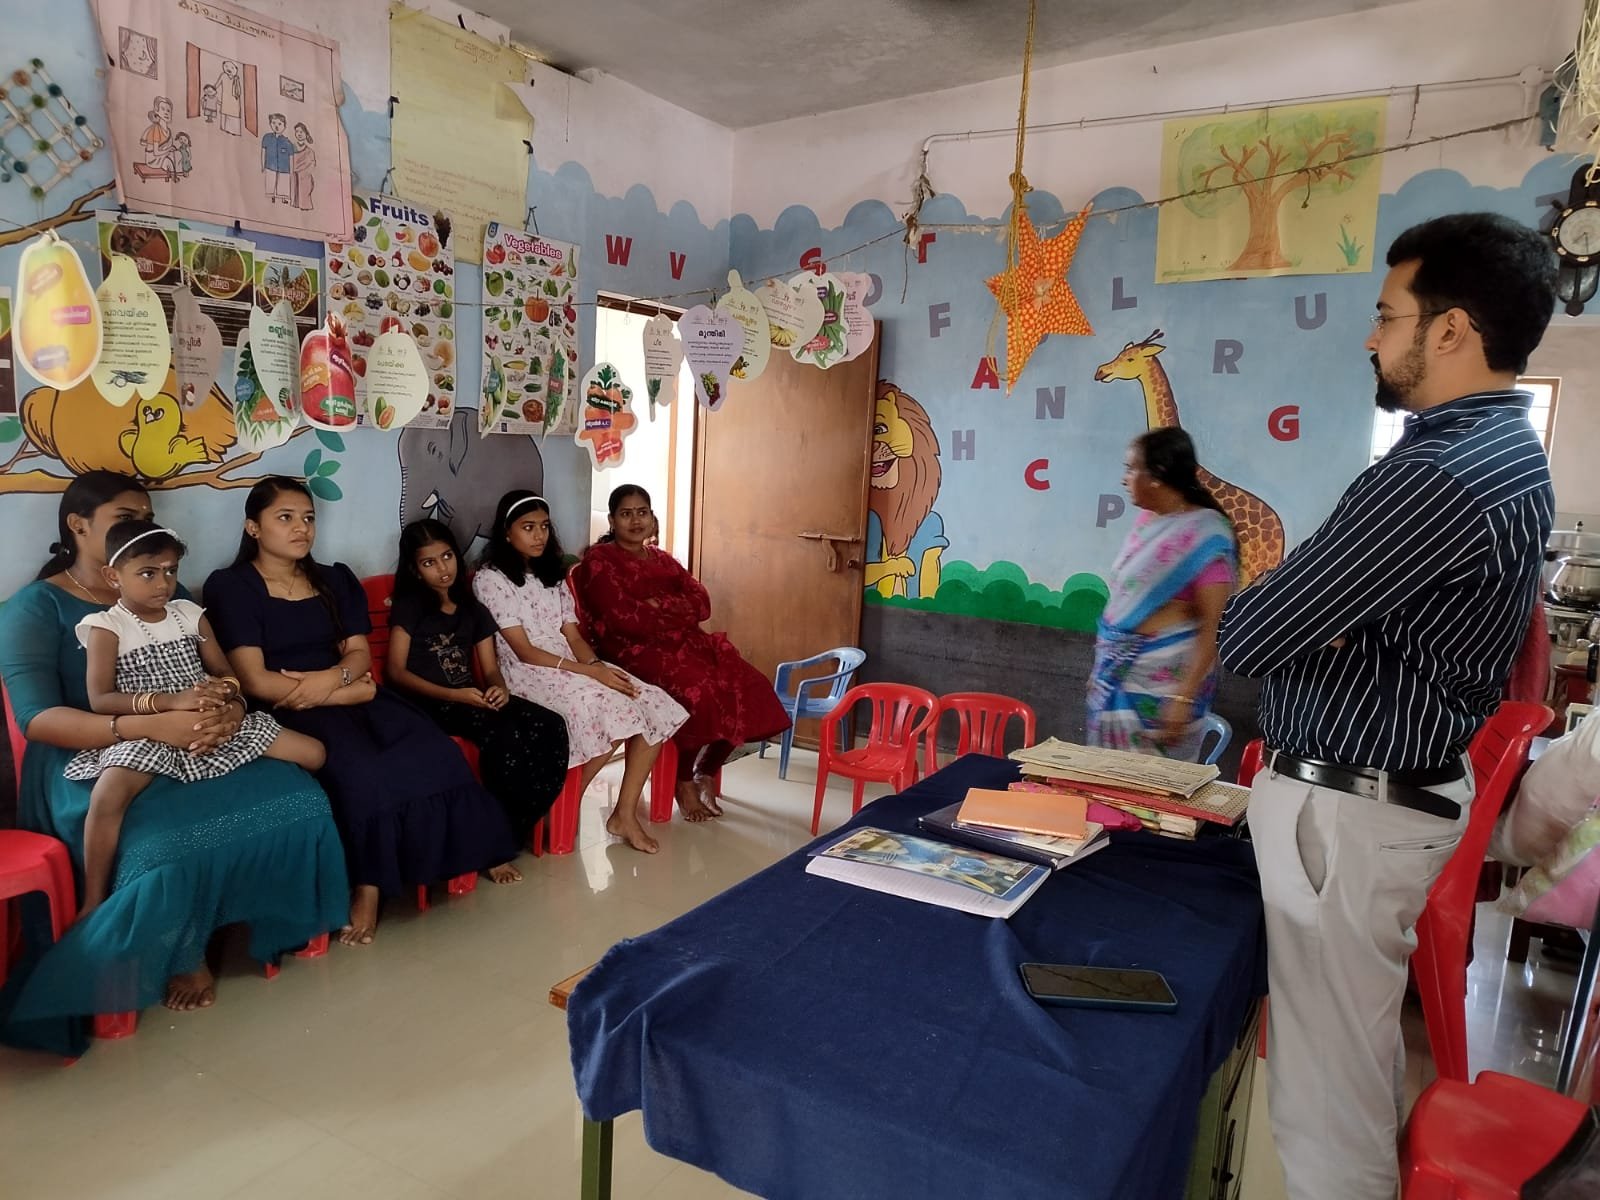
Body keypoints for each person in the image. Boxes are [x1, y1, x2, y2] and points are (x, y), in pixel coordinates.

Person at [1217, 212, 1559, 1200]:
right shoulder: (1507, 453)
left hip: (1350, 807)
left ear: (1449, 330)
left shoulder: (1434, 477)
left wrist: (1303, 612)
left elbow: (1250, 637)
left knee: (1326, 1101)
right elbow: (1300, 618)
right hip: (1384, 794)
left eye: (1386, 314)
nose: (1370, 338)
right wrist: (1316, 614)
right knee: (1340, 1068)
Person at [0, 472, 347, 1044]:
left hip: (194, 736)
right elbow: (38, 720)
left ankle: (262, 919)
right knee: (161, 844)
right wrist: (150, 724)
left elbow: (219, 675)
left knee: (299, 796)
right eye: (125, 519)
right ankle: (180, 949)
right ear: (78, 526)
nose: (143, 530)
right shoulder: (38, 607)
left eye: (147, 517)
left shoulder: (171, 594)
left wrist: (228, 713)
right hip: (89, 755)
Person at [204, 477, 520, 945]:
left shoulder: (333, 578)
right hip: (290, 709)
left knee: (433, 749)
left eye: (308, 518)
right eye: (285, 518)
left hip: (347, 690)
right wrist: (340, 694)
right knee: (362, 771)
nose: (301, 528)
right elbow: (254, 680)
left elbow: (356, 655)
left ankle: (472, 849)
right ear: (253, 527)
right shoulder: (233, 587)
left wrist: (334, 680)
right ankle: (369, 886)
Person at [66, 520, 325, 916]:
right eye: (148, 573)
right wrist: (170, 703)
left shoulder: (188, 613)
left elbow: (226, 674)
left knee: (314, 753)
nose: (163, 584)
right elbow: (100, 699)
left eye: (171, 571)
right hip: (151, 731)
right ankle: (93, 899)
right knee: (108, 794)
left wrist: (228, 701)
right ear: (112, 576)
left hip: (212, 720)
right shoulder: (106, 626)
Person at [472, 491, 686, 854]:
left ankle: (624, 814)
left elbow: (572, 635)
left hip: (570, 663)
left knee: (651, 700)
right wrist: (589, 674)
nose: (539, 535)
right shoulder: (491, 579)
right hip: (529, 671)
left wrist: (597, 667)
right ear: (507, 533)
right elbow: (523, 650)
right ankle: (560, 804)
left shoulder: (551, 574)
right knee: (615, 711)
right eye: (528, 528)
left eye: (543, 526)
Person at [573, 484, 791, 820]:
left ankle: (707, 770)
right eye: (626, 514)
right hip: (632, 651)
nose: (635, 521)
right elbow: (624, 619)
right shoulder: (600, 561)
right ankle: (683, 779)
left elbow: (702, 603)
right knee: (699, 692)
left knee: (751, 687)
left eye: (642, 513)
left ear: (652, 517)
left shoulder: (662, 559)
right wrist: (676, 610)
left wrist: (659, 604)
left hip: (686, 644)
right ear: (612, 521)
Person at [387, 518, 570, 846]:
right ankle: (496, 838)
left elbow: (490, 670)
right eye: (429, 563)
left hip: (472, 698)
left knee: (551, 724)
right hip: (426, 703)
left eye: (447, 556)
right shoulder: (410, 607)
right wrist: (454, 695)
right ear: (415, 570)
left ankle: (513, 824)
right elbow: (396, 672)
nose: (442, 568)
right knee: (503, 735)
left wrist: (499, 688)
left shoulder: (472, 610)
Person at [1086, 429, 1237, 760]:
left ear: (1157, 475)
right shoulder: (1146, 523)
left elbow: (1216, 624)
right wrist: (1104, 667)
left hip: (1163, 692)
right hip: (1117, 674)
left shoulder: (1208, 534)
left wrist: (1183, 697)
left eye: (1131, 468)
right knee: (1105, 781)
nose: (1124, 479)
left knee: (1150, 787)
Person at [261, 113, 292, 204]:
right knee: (270, 181)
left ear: (284, 126)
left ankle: (283, 198)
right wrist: (262, 165)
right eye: (273, 123)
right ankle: (272, 196)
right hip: (270, 165)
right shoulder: (266, 138)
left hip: (284, 168)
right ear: (270, 124)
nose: (276, 126)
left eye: (279, 124)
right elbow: (263, 152)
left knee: (283, 182)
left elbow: (291, 157)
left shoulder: (287, 142)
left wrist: (291, 170)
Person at [290, 122, 315, 210]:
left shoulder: (309, 151)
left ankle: (305, 206)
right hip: (294, 175)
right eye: (297, 131)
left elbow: (312, 164)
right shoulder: (291, 148)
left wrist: (305, 172)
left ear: (306, 134)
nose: (299, 134)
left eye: (301, 132)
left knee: (305, 190)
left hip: (305, 177)